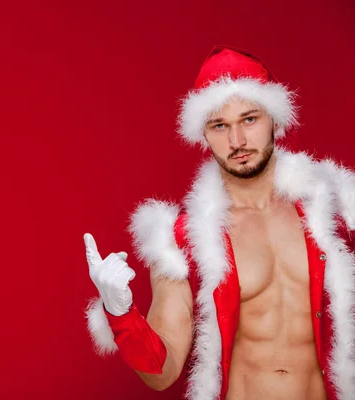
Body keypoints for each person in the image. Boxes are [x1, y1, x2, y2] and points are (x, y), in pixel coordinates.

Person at [83, 45, 355, 400]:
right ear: (204, 134)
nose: (237, 141)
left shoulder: (336, 214)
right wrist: (121, 315)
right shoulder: (182, 240)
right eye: (219, 126)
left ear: (275, 118)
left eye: (250, 119)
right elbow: (162, 373)